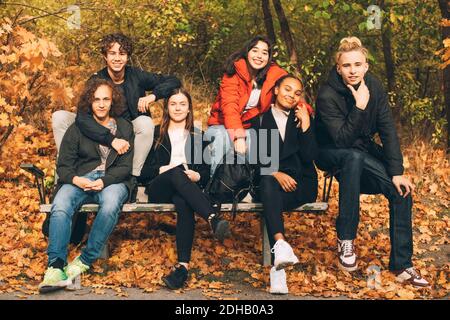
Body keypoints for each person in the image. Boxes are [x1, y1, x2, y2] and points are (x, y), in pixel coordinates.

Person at [315, 36, 429, 287]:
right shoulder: (327, 94)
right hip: (331, 153)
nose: (353, 70)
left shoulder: (374, 87)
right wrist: (360, 106)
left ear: (366, 66)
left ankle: (402, 264)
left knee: (401, 190)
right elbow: (342, 141)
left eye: (358, 64)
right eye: (347, 66)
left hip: (362, 152)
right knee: (353, 156)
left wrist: (396, 171)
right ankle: (346, 239)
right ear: (338, 68)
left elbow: (387, 129)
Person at [38, 78, 134, 293]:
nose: (101, 104)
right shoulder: (78, 128)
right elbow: (63, 165)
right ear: (89, 102)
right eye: (96, 99)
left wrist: (104, 181)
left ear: (113, 102)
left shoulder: (124, 128)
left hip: (112, 180)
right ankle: (55, 266)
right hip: (81, 179)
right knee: (61, 204)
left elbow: (125, 168)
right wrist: (76, 180)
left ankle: (84, 260)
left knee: (110, 204)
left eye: (106, 99)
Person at [52, 33, 181, 190]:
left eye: (122, 53)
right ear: (105, 56)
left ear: (127, 57)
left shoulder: (136, 75)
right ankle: (66, 169)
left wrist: (153, 96)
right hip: (98, 128)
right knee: (59, 117)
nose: (117, 58)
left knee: (145, 122)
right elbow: (83, 118)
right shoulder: (96, 80)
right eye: (112, 53)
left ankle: (133, 176)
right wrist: (111, 139)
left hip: (126, 129)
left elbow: (174, 81)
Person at [140, 88, 229, 290]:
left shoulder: (200, 136)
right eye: (173, 104)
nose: (178, 108)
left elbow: (206, 174)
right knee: (175, 171)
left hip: (185, 189)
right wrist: (164, 169)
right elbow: (142, 171)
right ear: (166, 108)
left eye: (182, 104)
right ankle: (212, 216)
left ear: (189, 109)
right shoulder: (155, 134)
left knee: (183, 202)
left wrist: (197, 176)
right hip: (158, 187)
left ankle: (182, 268)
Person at [206, 35, 309, 176]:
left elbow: (290, 91)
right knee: (223, 137)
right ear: (247, 52)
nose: (259, 56)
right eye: (255, 50)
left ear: (269, 57)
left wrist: (305, 111)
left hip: (248, 126)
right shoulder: (233, 72)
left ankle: (248, 187)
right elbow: (229, 107)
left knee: (259, 140)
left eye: (264, 53)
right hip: (221, 124)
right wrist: (238, 136)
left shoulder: (274, 74)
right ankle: (215, 187)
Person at [255, 75, 317, 294]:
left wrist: (307, 125)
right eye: (287, 89)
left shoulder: (301, 119)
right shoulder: (261, 120)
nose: (291, 95)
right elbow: (258, 159)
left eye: (297, 93)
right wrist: (276, 173)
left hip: (302, 184)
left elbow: (310, 156)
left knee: (269, 196)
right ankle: (280, 252)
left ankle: (278, 264)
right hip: (273, 183)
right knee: (268, 183)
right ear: (276, 90)